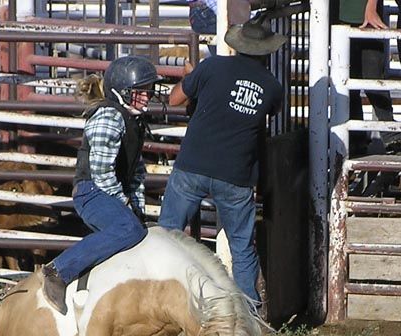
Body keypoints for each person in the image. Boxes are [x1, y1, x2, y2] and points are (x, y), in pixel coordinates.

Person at [158, 18, 285, 304]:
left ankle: (162, 299)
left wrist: (191, 78)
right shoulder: (272, 87)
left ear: (238, 45)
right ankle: (249, 313)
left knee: (167, 232)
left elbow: (175, 99)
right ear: (266, 51)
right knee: (242, 247)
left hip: (193, 164)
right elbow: (270, 112)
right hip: (236, 173)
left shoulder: (212, 67)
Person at [41, 55, 166, 315]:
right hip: (91, 191)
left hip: (105, 191)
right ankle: (58, 270)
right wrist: (125, 207)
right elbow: (101, 172)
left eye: (148, 91)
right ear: (121, 93)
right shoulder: (109, 117)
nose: (147, 96)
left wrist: (138, 208)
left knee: (140, 230)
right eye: (140, 92)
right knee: (128, 229)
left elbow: (136, 173)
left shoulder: (134, 121)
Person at [336, 0, 399, 154]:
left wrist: (371, 6)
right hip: (340, 15)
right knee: (347, 84)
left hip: (364, 15)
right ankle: (356, 141)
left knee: (373, 78)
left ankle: (390, 135)